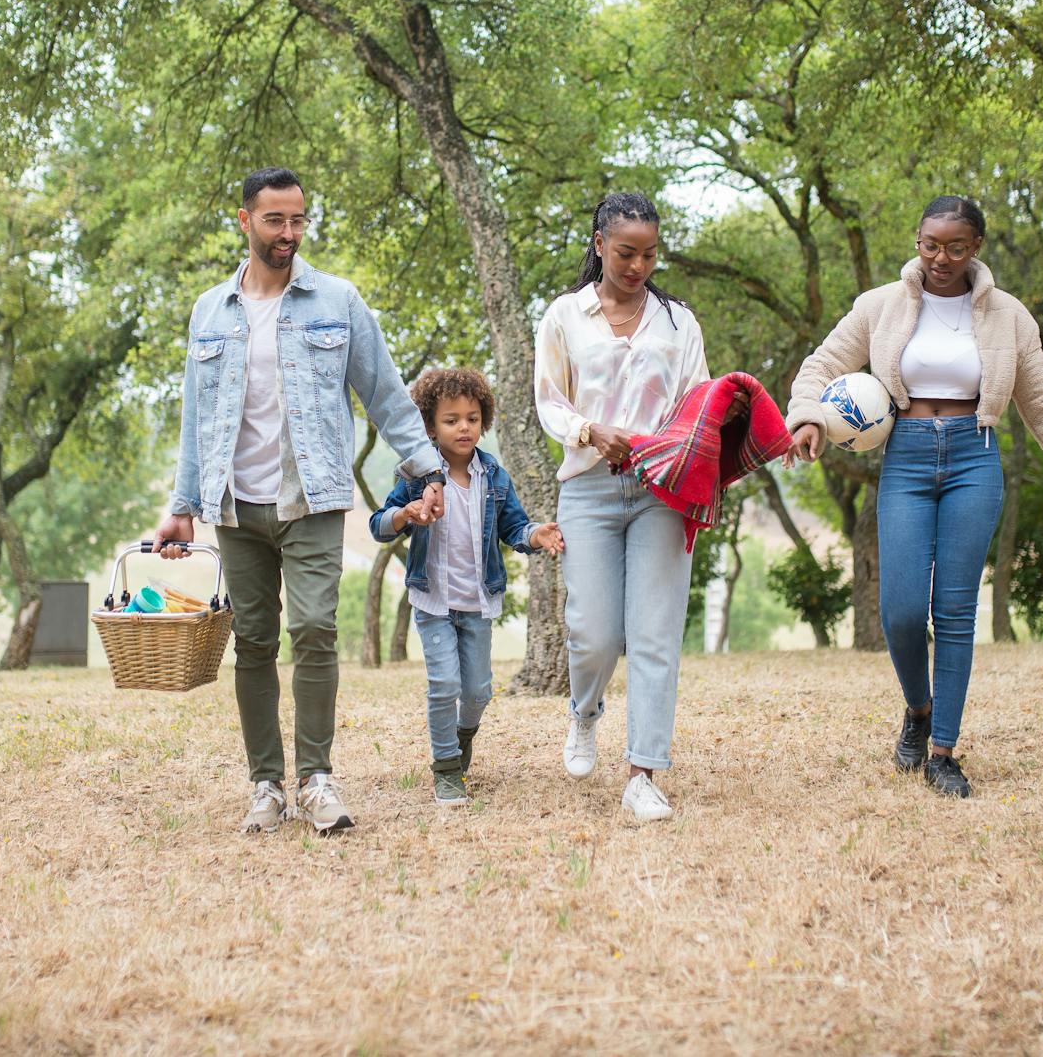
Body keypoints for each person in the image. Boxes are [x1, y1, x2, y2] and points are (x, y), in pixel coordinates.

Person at [785, 195, 1043, 798]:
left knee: (954, 613)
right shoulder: (880, 306)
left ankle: (942, 751)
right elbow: (818, 366)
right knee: (898, 610)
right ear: (917, 241)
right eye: (929, 245)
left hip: (975, 458)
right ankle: (917, 711)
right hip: (907, 458)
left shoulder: (1010, 318)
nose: (939, 258)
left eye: (954, 247)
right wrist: (807, 419)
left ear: (976, 249)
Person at [152, 167, 445, 836]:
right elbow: (196, 414)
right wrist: (183, 501)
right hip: (235, 504)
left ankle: (315, 778)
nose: (288, 233)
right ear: (245, 220)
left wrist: (427, 466)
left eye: (298, 220)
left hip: (310, 499)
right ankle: (266, 784)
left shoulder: (337, 301)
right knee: (252, 642)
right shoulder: (210, 310)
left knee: (314, 629)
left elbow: (385, 393)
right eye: (275, 220)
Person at [534, 192, 709, 823]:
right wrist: (590, 432)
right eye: (626, 252)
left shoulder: (678, 323)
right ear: (600, 243)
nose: (638, 266)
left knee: (656, 633)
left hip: (662, 490)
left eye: (650, 254)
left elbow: (696, 405)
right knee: (595, 632)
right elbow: (550, 400)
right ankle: (584, 713)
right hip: (588, 488)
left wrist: (677, 453)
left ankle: (644, 773)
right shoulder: (563, 315)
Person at [370, 368, 565, 806]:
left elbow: (514, 525)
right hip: (433, 600)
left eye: (473, 418)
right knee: (443, 684)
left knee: (477, 690)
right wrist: (406, 514)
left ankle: (462, 737)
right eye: (451, 419)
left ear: (484, 420)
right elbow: (379, 525)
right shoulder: (416, 475)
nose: (464, 427)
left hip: (477, 601)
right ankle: (446, 768)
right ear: (429, 426)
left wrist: (535, 535)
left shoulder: (493, 475)